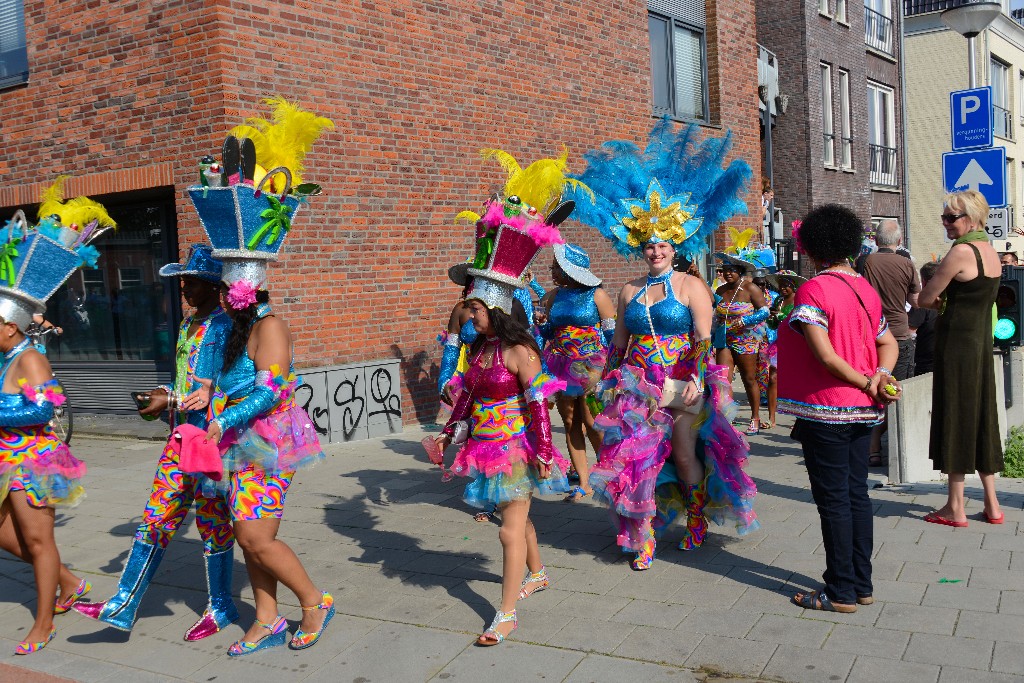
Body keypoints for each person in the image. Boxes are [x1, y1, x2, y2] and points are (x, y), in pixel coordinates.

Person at [568, 120, 759, 570]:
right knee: (639, 460)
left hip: (680, 382)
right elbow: (617, 343)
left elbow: (704, 339)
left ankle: (695, 519)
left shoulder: (692, 286)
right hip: (637, 385)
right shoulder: (628, 290)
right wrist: (603, 381)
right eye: (649, 246)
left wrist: (694, 378)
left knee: (686, 451)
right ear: (640, 248)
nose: (656, 252)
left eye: (663, 245)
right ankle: (644, 535)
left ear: (676, 246)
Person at [187, 99, 336, 655]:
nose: (223, 297)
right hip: (229, 439)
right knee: (250, 539)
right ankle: (266, 617)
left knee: (254, 535)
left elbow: (271, 388)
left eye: (230, 290)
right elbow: (214, 376)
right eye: (223, 289)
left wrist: (221, 413)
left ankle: (314, 602)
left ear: (248, 289)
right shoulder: (225, 329)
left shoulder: (270, 325)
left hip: (270, 441)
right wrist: (200, 394)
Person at [74, 245, 239, 641]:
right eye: (183, 280)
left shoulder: (226, 327)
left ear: (214, 286)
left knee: (213, 524)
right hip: (180, 439)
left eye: (193, 281)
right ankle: (123, 605)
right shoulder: (186, 325)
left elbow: (224, 390)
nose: (184, 287)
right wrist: (160, 393)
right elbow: (185, 383)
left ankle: (221, 606)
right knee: (155, 520)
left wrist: (176, 399)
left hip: (213, 442)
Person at [433, 187, 572, 646]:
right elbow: (468, 401)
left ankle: (506, 613)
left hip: (517, 447)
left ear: (494, 307)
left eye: (473, 307)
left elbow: (539, 404)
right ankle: (538, 572)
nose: (466, 314)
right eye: (468, 307)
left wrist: (547, 451)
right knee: (518, 517)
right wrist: (450, 433)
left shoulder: (518, 350)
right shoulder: (481, 350)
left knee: (509, 530)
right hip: (485, 448)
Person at [0, 202, 112, 654]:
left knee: (38, 541)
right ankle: (69, 583)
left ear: (10, 327)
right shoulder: (7, 355)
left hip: (33, 460)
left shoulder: (30, 358)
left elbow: (48, 411)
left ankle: (44, 622)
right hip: (7, 455)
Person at [778, 204, 901, 613]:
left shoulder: (814, 289)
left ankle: (840, 591)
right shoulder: (864, 287)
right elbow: (889, 343)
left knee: (833, 501)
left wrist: (868, 380)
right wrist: (880, 378)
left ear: (812, 247)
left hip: (828, 408)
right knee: (856, 496)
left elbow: (825, 356)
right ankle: (861, 585)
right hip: (865, 410)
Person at [917, 190, 1004, 527]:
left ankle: (955, 507)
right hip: (980, 345)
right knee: (983, 418)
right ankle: (993, 504)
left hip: (956, 347)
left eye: (951, 217)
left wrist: (939, 303)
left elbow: (926, 297)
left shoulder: (961, 252)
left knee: (954, 417)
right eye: (945, 216)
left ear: (972, 218)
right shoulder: (990, 251)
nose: (945, 223)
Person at [535, 244, 615, 502]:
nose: (552, 272)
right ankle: (583, 482)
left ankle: (609, 474)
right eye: (553, 267)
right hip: (560, 364)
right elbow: (549, 335)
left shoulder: (597, 295)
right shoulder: (551, 297)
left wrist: (612, 369)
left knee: (593, 422)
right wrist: (542, 325)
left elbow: (613, 335)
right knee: (570, 422)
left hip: (592, 365)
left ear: (571, 270)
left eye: (557, 267)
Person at [856, 219, 920, 467]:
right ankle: (895, 448)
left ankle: (871, 448)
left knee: (872, 387)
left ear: (876, 240)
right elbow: (915, 300)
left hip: (871, 334)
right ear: (900, 241)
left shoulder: (865, 262)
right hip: (899, 333)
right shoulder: (906, 263)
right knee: (896, 388)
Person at [715, 255, 769, 434]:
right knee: (723, 380)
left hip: (746, 340)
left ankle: (755, 417)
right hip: (725, 339)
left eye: (732, 270)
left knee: (749, 379)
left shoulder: (750, 288)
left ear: (739, 271)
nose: (728, 273)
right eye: (725, 270)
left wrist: (746, 320)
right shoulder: (721, 290)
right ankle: (727, 417)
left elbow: (764, 311)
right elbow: (715, 312)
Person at [753, 271, 778, 429]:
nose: (760, 286)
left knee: (770, 369)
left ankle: (769, 396)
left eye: (762, 283)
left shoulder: (774, 297)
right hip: (756, 335)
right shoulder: (751, 295)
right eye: (757, 283)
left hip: (773, 336)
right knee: (760, 367)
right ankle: (762, 395)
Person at [908, 261, 939, 376]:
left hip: (926, 362)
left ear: (925, 281)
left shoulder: (923, 303)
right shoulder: (952, 300)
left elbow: (910, 332)